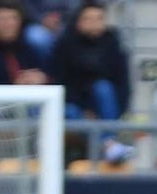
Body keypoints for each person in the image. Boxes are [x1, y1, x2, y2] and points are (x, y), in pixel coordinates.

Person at [49, 0, 134, 164]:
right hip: (76, 106)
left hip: (105, 109)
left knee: (104, 88)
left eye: (99, 19)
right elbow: (61, 82)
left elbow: (123, 85)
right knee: (69, 111)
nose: (94, 23)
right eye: (89, 19)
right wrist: (86, 110)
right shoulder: (65, 45)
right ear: (78, 21)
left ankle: (108, 142)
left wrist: (122, 112)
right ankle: (109, 145)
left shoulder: (113, 45)